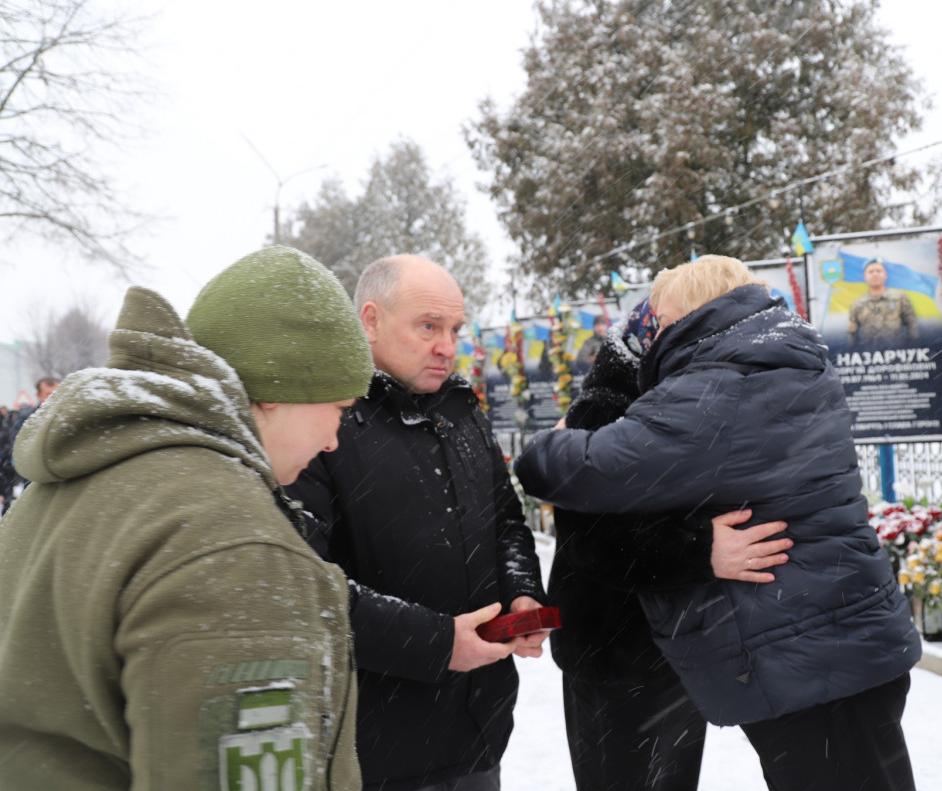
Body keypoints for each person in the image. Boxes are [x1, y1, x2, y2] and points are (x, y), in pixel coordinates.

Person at [516, 255, 920, 791]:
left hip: (804, 654)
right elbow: (592, 534)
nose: (655, 332)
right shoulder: (788, 359)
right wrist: (698, 549)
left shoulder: (719, 386)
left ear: (692, 314)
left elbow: (564, 469)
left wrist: (555, 439)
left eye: (662, 319)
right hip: (825, 635)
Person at [0, 245, 373, 789]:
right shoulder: (237, 549)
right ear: (275, 392)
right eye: (338, 408)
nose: (336, 439)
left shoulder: (81, 476)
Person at [287, 254, 547, 791]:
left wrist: (523, 593)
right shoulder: (323, 423)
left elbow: (506, 522)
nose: (447, 347)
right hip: (376, 748)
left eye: (454, 329)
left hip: (479, 731)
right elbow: (306, 588)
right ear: (370, 320)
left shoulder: (461, 409)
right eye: (428, 326)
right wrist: (437, 643)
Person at [550, 298, 794, 791]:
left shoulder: (683, 396)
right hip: (617, 656)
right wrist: (701, 549)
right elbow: (592, 539)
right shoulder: (606, 407)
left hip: (676, 647)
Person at [0, 376, 58, 513]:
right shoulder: (27, 418)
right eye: (48, 394)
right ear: (38, 395)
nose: (53, 397)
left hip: (63, 480)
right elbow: (18, 446)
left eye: (57, 392)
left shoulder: (70, 417)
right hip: (35, 478)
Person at [845, 258, 919, 348]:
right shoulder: (858, 304)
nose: (875, 274)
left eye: (879, 271)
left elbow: (912, 324)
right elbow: (852, 333)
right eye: (871, 272)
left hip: (897, 354)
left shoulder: (900, 298)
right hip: (869, 357)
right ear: (865, 276)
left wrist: (912, 348)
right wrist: (852, 353)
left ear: (885, 274)